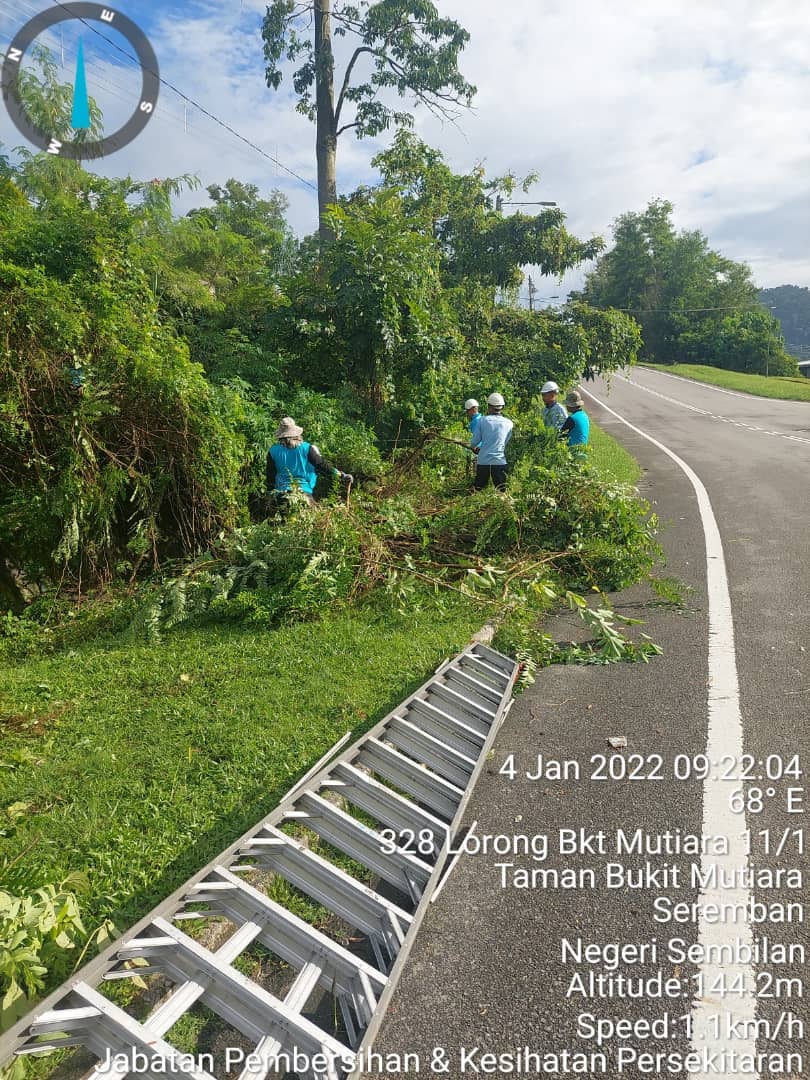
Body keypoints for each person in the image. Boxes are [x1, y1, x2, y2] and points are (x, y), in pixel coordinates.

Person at [266, 417, 352, 508]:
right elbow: (321, 465)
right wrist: (341, 475)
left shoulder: (273, 451)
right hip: (303, 493)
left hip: (282, 494)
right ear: (296, 434)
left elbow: (270, 475)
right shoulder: (306, 448)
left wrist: (269, 494)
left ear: (280, 435)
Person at [471, 392, 513, 490]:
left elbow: (474, 442)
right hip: (500, 462)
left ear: (489, 406)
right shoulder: (509, 423)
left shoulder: (482, 421)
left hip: (483, 462)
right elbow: (504, 442)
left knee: (478, 490)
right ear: (502, 407)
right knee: (502, 491)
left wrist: (475, 448)